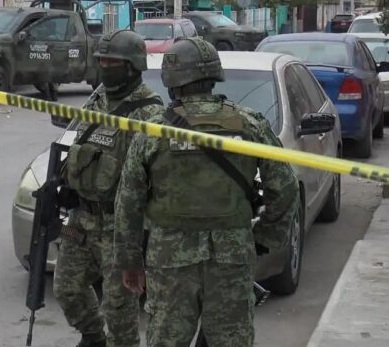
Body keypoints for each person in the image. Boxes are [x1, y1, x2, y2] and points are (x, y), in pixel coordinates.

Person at [113, 38, 299, 347]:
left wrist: (129, 260)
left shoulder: (156, 130)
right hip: (231, 257)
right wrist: (265, 238)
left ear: (171, 81)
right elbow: (286, 188)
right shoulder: (248, 123)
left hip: (170, 260)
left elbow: (128, 200)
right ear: (214, 77)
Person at [54, 30, 163, 347]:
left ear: (132, 66)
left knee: (119, 311)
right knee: (67, 289)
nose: (105, 67)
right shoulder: (97, 98)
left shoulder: (149, 112)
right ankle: (92, 337)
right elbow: (78, 146)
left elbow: (153, 178)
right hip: (82, 217)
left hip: (120, 226)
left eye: (112, 62)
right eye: (101, 61)